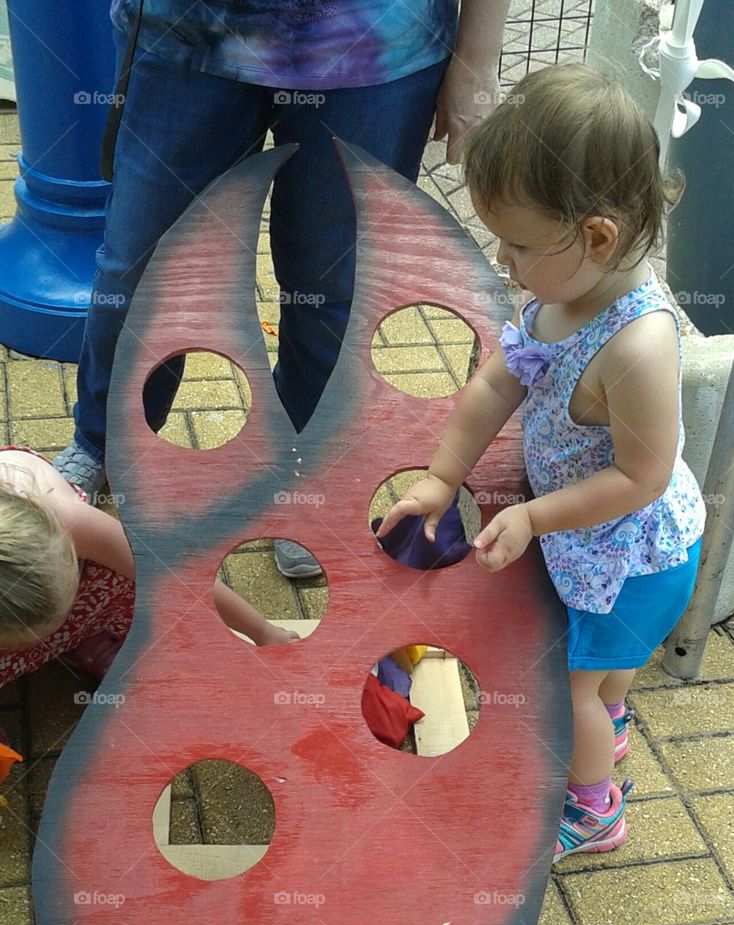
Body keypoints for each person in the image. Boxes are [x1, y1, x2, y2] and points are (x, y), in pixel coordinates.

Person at [53, 0, 510, 579]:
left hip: (376, 45)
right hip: (188, 34)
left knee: (332, 290)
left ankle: (303, 473)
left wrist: (476, 59)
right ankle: (100, 444)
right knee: (140, 269)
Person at [376, 63, 706, 860]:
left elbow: (642, 479)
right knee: (601, 677)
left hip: (634, 558)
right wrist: (441, 476)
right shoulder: (564, 291)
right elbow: (501, 376)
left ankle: (595, 812)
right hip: (601, 545)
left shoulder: (638, 343)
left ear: (596, 234)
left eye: (518, 243)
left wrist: (530, 515)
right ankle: (610, 722)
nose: (503, 260)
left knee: (566, 694)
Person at [0, 446, 297, 699]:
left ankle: (87, 636)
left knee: (132, 573)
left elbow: (174, 574)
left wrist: (264, 632)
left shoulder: (68, 520)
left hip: (77, 559)